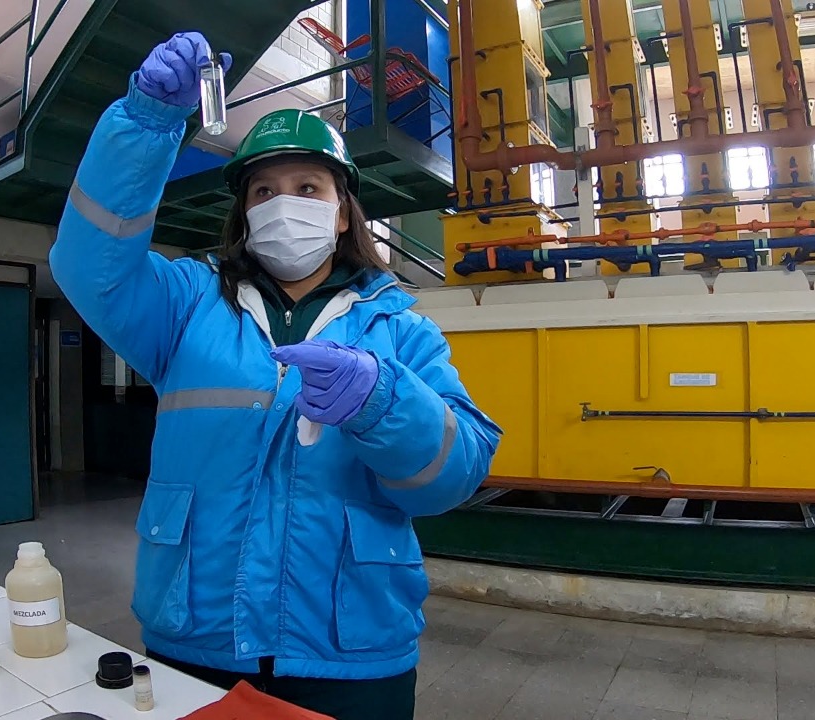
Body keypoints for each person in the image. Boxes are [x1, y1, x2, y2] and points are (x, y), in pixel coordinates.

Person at [49, 31, 501, 720]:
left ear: (343, 207)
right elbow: (90, 266)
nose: (283, 203)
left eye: (307, 187)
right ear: (245, 212)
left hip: (352, 649)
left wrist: (383, 402)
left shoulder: (401, 328)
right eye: (264, 190)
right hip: (198, 634)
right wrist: (144, 127)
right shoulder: (186, 304)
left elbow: (456, 473)